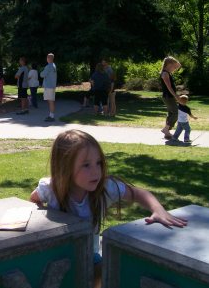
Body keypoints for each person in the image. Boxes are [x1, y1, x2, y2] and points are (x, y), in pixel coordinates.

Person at [30, 129, 187, 288]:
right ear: (65, 167)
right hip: (55, 256)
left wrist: (158, 209)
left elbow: (139, 193)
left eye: (98, 163)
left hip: (89, 256)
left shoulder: (105, 188)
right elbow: (34, 200)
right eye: (86, 165)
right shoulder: (50, 189)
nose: (96, 171)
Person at [160, 56, 181, 139]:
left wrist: (173, 60)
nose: (174, 67)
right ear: (168, 64)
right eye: (173, 65)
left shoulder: (168, 72)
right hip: (168, 97)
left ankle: (167, 132)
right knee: (175, 113)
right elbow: (169, 87)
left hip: (169, 97)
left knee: (171, 113)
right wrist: (176, 97)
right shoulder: (165, 73)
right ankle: (166, 129)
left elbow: (179, 65)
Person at [40, 53, 57, 122]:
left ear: (49, 58)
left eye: (47, 57)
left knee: (50, 101)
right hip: (52, 86)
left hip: (49, 86)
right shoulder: (54, 65)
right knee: (51, 101)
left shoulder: (48, 66)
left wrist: (42, 72)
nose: (46, 58)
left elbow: (42, 75)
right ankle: (51, 115)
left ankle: (51, 116)